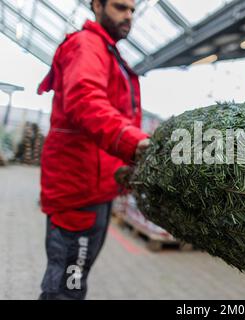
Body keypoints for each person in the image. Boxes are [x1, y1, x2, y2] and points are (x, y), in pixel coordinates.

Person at [36, 0, 149, 300]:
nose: (129, 16)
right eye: (120, 7)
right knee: (66, 287)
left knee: (74, 280)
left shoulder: (106, 50)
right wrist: (132, 142)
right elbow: (85, 100)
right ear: (97, 5)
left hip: (94, 188)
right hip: (77, 193)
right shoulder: (87, 45)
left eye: (133, 10)